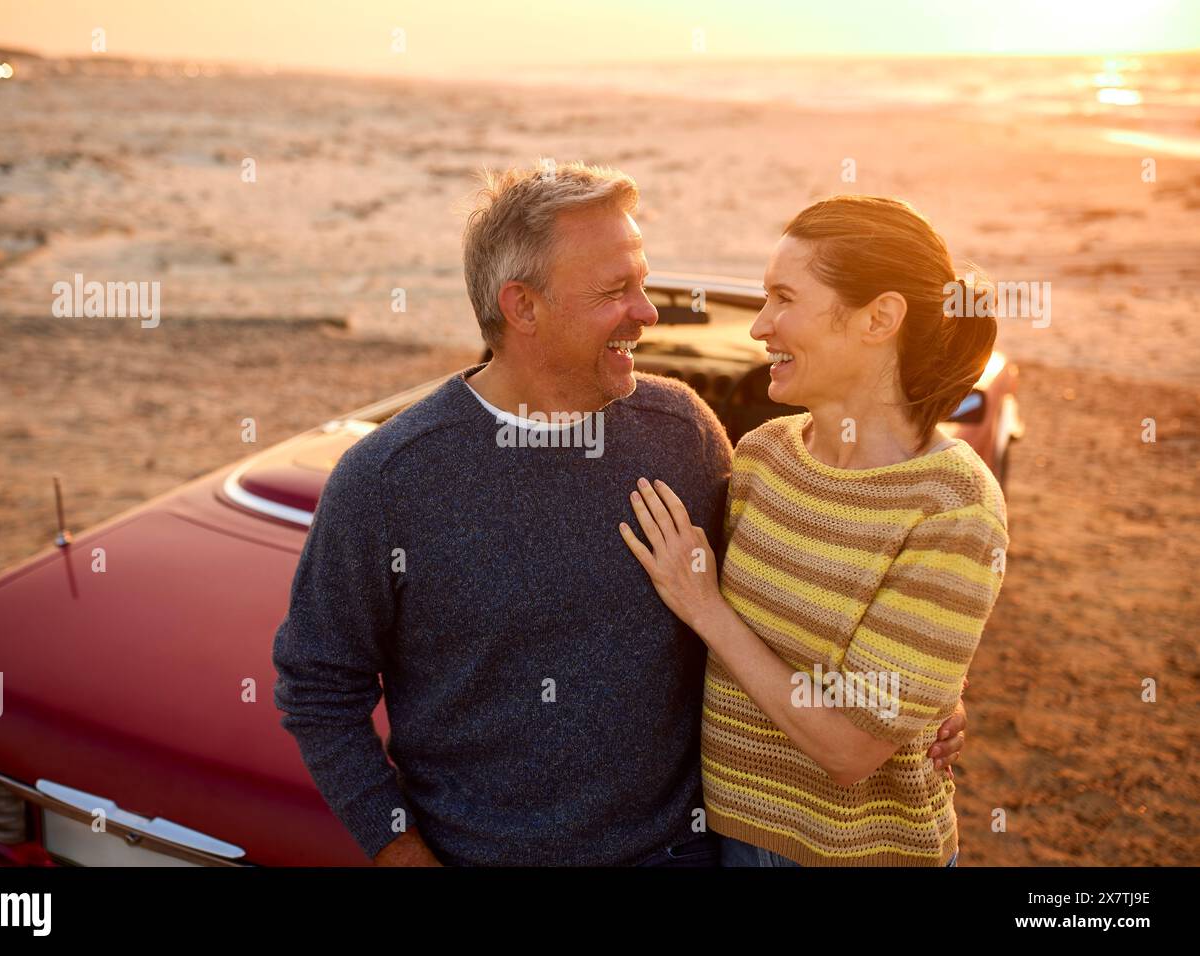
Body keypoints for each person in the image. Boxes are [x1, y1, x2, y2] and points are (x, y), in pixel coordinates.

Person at [272, 167, 968, 866]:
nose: (648, 312)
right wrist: (401, 852)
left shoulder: (681, 432)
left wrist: (922, 695)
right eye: (616, 291)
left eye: (643, 281)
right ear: (523, 307)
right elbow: (318, 688)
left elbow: (777, 601)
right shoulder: (389, 479)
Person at [621, 195, 1004, 867]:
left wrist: (705, 606)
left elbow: (850, 750)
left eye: (783, 299)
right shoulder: (765, 454)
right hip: (729, 837)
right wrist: (928, 692)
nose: (759, 327)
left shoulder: (953, 505)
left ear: (879, 318)